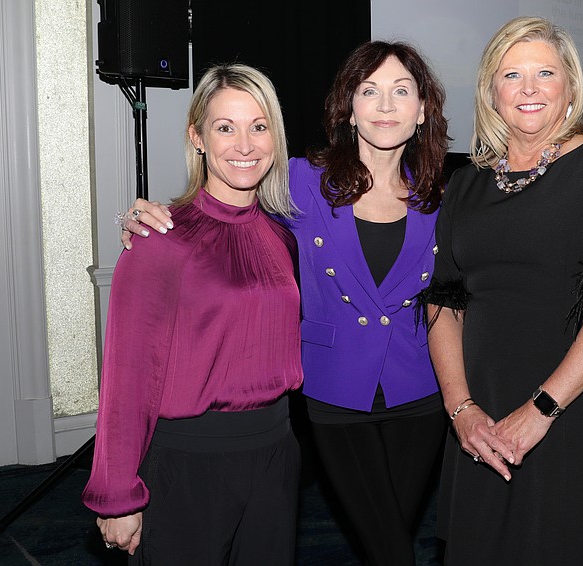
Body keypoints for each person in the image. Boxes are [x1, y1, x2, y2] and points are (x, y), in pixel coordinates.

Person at [120, 41, 450, 565]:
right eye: (369, 91)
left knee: (389, 540)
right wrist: (149, 216)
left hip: (420, 394)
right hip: (336, 391)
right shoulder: (302, 181)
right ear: (349, 109)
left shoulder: (441, 197)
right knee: (392, 550)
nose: (386, 106)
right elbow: (228, 200)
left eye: (401, 91)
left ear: (423, 110)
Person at [419, 16, 583, 565]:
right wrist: (461, 408)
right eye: (511, 74)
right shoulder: (465, 182)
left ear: (570, 87)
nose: (529, 88)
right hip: (481, 409)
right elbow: (444, 300)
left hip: (576, 405)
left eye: (545, 73)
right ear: (491, 92)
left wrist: (542, 408)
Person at [82, 63, 303, 565]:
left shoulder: (280, 237)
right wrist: (118, 494)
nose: (244, 145)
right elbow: (127, 376)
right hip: (189, 465)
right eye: (225, 127)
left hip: (276, 454)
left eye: (259, 126)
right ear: (197, 138)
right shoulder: (159, 240)